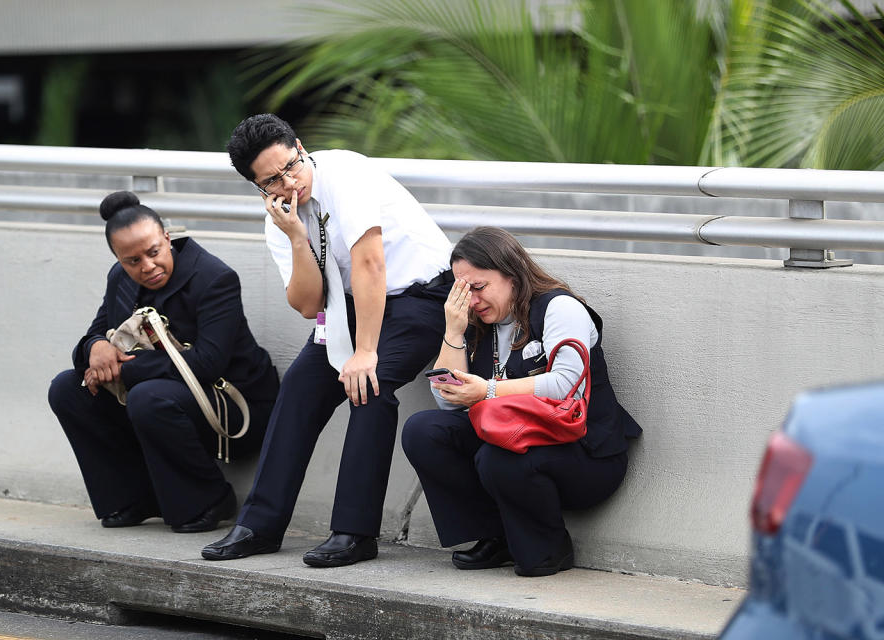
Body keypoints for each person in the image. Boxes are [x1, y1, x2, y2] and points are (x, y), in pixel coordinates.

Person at [202, 114, 453, 567]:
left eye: (291, 168)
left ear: (300, 147)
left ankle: (355, 533)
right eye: (271, 181)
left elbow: (370, 262)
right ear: (257, 187)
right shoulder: (280, 218)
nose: (288, 183)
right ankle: (259, 525)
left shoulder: (344, 173)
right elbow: (307, 304)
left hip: (421, 295)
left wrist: (365, 352)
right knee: (299, 387)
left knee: (369, 386)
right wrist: (297, 237)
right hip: (350, 304)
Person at [401, 227, 642, 577]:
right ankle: (495, 536)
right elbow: (449, 405)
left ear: (512, 275)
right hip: (517, 443)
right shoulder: (478, 321)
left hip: (585, 454)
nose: (472, 300)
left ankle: (548, 550)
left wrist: (488, 391)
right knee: (425, 430)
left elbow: (565, 385)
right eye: (463, 291)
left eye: (479, 287)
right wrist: (452, 332)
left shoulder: (559, 308)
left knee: (498, 455)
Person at [48, 191, 279, 533]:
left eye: (154, 252)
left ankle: (210, 500)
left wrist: (124, 369)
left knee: (148, 396)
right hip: (166, 401)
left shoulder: (214, 278)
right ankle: (133, 498)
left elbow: (207, 363)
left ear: (168, 238)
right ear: (118, 259)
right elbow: (99, 331)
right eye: (132, 261)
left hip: (234, 406)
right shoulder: (120, 278)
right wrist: (95, 347)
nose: (148, 266)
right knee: (67, 388)